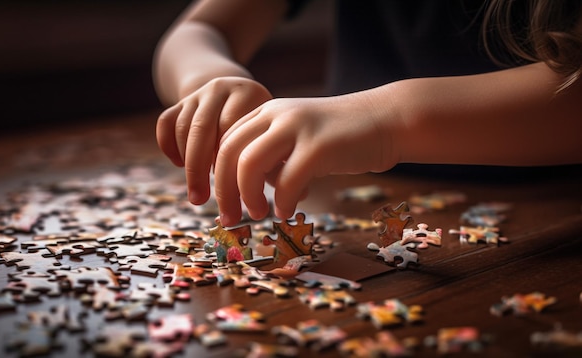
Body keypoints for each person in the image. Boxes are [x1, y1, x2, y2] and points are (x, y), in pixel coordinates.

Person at [153, 0, 582, 227]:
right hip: (354, 196)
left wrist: (382, 120)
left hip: (555, 206)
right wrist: (209, 78)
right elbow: (200, 29)